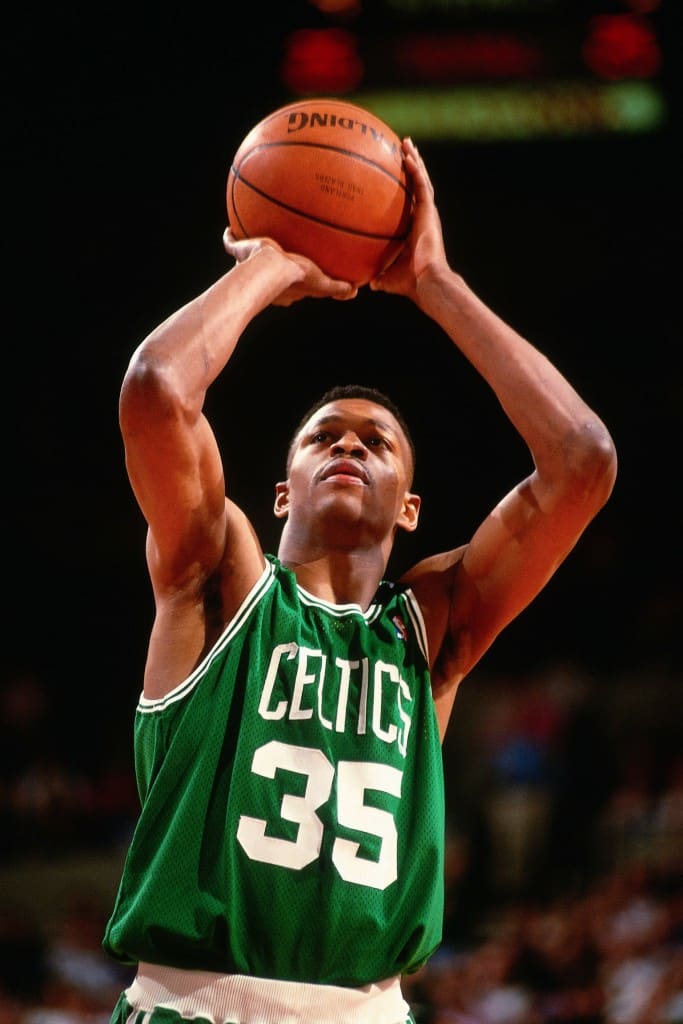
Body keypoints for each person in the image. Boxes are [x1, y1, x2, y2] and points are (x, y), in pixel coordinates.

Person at [102, 136, 617, 1024]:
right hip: (198, 1005)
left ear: (409, 506)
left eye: (375, 442)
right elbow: (155, 389)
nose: (348, 445)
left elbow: (582, 459)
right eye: (324, 436)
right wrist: (266, 269)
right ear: (281, 489)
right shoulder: (218, 577)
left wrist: (433, 284)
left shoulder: (433, 624)